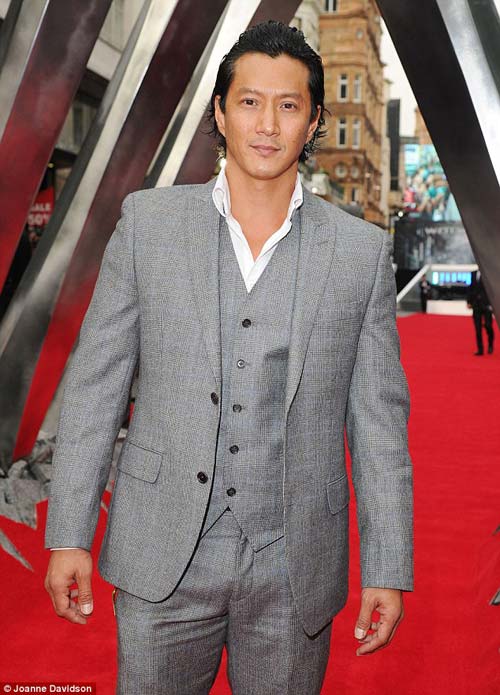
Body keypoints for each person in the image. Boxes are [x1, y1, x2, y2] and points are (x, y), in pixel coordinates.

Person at [44, 21, 413, 695]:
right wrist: (69, 531)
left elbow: (380, 425)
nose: (267, 124)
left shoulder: (359, 253)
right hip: (161, 552)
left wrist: (387, 565)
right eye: (249, 101)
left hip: (294, 564)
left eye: (288, 105)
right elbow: (96, 385)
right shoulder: (148, 226)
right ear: (220, 112)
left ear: (314, 121)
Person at [467, 274, 495, 356]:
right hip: (476, 305)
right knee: (478, 328)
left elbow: (492, 289)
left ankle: (490, 344)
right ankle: (480, 349)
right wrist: (469, 301)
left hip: (487, 305)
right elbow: (470, 288)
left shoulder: (488, 273)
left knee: (488, 326)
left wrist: (493, 304)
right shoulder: (473, 273)